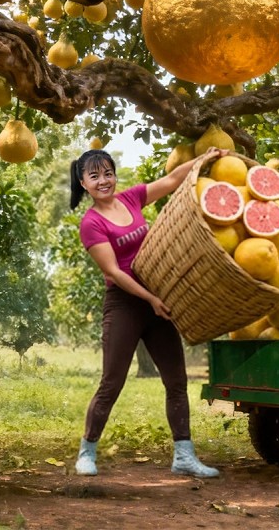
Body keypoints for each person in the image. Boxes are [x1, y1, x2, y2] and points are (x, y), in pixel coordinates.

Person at [69, 146, 227, 478]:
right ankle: (87, 451)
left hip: (158, 300)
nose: (104, 180)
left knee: (176, 381)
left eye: (108, 173)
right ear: (83, 182)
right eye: (94, 176)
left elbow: (170, 180)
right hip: (125, 305)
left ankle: (184, 456)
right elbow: (114, 272)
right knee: (112, 382)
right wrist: (150, 299)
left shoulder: (131, 199)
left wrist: (204, 159)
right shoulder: (91, 223)